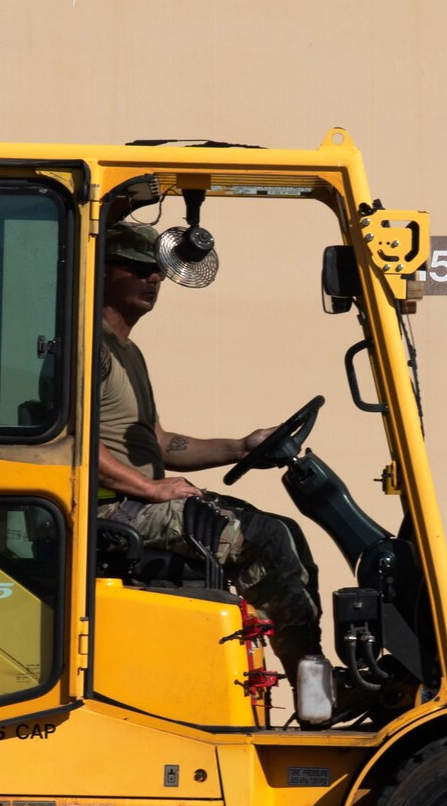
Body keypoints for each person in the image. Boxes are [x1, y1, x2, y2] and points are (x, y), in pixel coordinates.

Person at [93, 221, 327, 680]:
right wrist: (151, 488)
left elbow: (160, 443)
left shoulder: (128, 353)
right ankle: (310, 685)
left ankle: (313, 676)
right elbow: (71, 443)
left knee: (284, 531)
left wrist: (243, 446)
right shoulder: (88, 348)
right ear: (103, 271)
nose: (154, 279)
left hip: (136, 498)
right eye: (139, 268)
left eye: (157, 271)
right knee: (261, 538)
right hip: (111, 509)